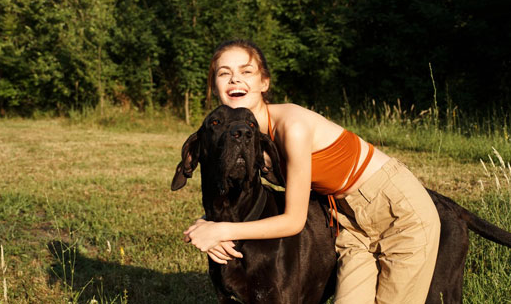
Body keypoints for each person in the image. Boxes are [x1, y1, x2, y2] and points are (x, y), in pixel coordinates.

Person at [184, 39, 440, 303]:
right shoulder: (250, 139)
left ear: (264, 83)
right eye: (224, 73)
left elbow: (294, 220)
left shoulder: (292, 126)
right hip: (349, 220)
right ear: (215, 85)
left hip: (397, 209)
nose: (235, 79)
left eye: (246, 71)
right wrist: (208, 224)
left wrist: (221, 231)